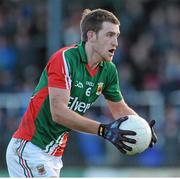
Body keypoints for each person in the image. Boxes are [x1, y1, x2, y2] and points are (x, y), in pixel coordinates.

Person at [6, 8, 157, 177]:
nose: (115, 42)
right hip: (29, 148)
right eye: (109, 35)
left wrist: (142, 127)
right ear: (91, 36)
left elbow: (119, 110)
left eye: (117, 36)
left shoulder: (108, 70)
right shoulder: (64, 59)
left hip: (53, 156)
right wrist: (102, 130)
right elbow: (59, 113)